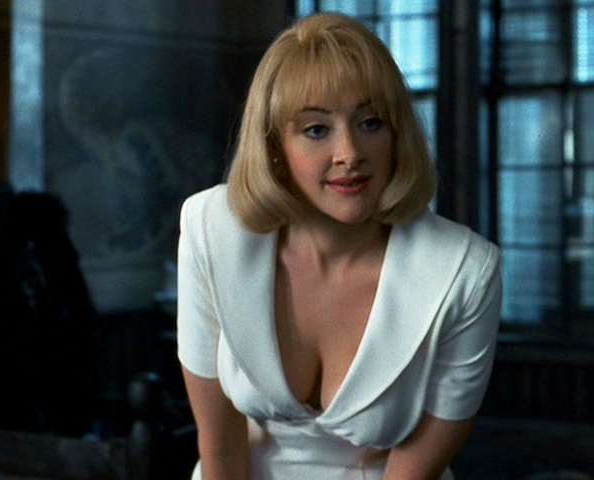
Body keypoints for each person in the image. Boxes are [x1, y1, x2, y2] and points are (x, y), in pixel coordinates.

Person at [176, 12, 502, 480]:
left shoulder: (465, 272)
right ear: (274, 146)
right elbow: (221, 447)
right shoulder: (211, 229)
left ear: (396, 133)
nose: (349, 153)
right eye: (316, 130)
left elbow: (416, 469)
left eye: (370, 122)